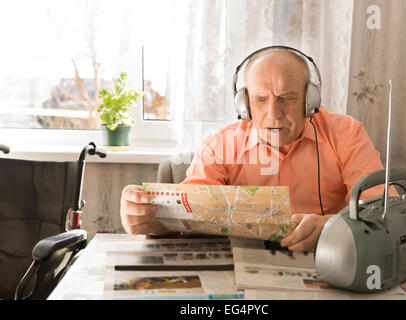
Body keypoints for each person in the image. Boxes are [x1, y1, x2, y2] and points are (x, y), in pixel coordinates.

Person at [120, 47, 390, 252]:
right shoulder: (219, 146)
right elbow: (190, 214)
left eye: (288, 97)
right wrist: (153, 221)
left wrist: (332, 227)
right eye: (260, 100)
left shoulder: (346, 134)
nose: (274, 113)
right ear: (244, 105)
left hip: (331, 259)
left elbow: (385, 211)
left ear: (310, 100)